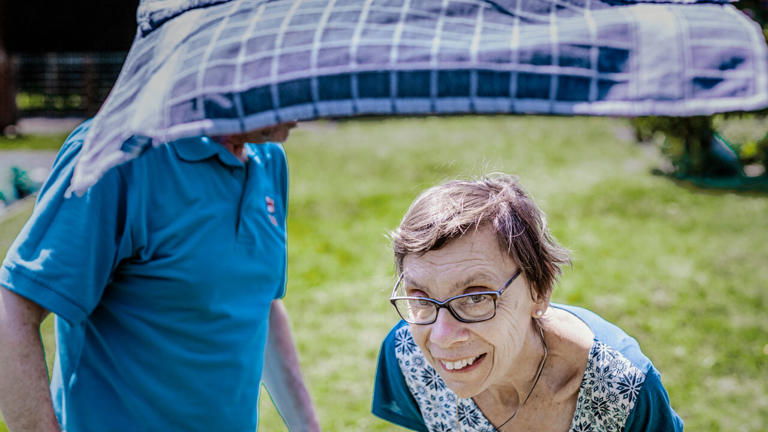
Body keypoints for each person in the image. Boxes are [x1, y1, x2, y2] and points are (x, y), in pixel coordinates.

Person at [0, 119, 321, 431]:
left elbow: (257, 303)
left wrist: (307, 426)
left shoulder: (269, 160)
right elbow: (12, 310)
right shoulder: (117, 154)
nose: (299, 112)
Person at [372, 174, 683, 431]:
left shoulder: (623, 388)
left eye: (477, 297)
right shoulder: (408, 356)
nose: (441, 337)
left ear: (540, 290)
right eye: (422, 298)